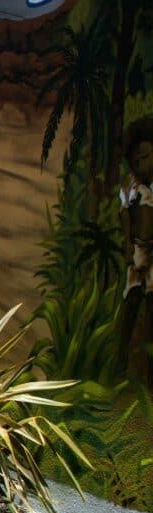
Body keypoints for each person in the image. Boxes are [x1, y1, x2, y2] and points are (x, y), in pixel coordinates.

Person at [117, 116, 153, 386]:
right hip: (138, 251)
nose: (142, 164)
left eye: (147, 157)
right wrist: (129, 245)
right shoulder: (131, 187)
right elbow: (126, 216)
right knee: (130, 303)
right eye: (137, 159)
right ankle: (119, 365)